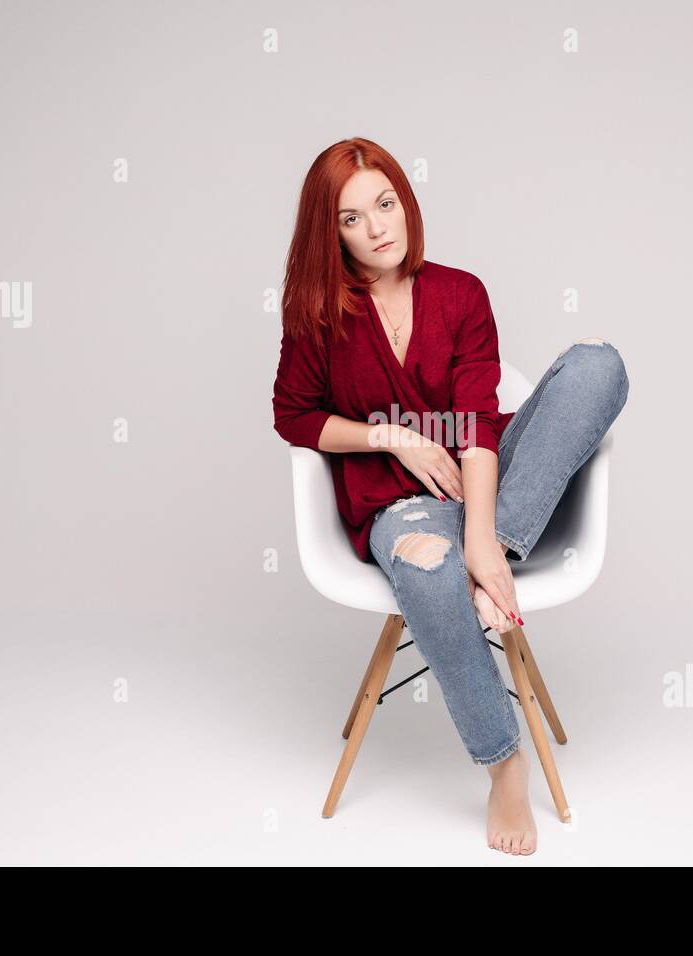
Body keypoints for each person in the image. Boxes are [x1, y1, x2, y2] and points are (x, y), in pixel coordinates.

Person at [272, 137, 629, 855]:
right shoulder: (319, 314)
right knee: (428, 562)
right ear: (328, 232)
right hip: (402, 506)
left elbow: (476, 421)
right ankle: (503, 765)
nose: (379, 227)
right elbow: (295, 414)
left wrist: (482, 536)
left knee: (596, 363)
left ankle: (490, 551)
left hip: (495, 484)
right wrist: (394, 440)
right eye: (352, 218)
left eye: (386, 202)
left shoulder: (460, 293)